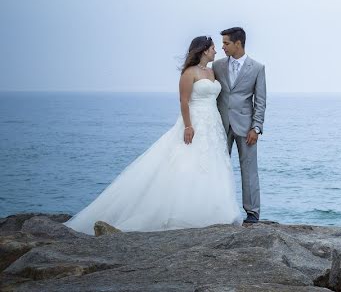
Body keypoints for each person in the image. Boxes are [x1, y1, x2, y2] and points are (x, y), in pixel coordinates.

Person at [65, 36, 242, 234]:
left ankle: (214, 209)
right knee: (189, 161)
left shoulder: (212, 71)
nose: (215, 51)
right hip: (196, 120)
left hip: (213, 122)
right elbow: (184, 102)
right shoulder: (189, 73)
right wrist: (188, 126)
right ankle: (183, 210)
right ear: (203, 51)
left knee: (213, 163)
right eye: (212, 48)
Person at [212, 27, 267, 224]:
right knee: (217, 167)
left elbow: (260, 101)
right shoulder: (217, 66)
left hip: (246, 128)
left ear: (238, 43)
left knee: (249, 169)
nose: (222, 47)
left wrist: (256, 127)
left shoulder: (257, 68)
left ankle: (252, 213)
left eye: (226, 43)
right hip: (220, 125)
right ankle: (216, 209)